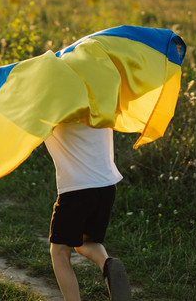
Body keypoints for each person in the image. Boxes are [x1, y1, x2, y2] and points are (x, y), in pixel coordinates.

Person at [44, 122, 131, 301]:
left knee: (59, 252)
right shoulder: (100, 106)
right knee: (86, 242)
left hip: (76, 189)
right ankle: (108, 264)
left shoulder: (53, 110)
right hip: (107, 185)